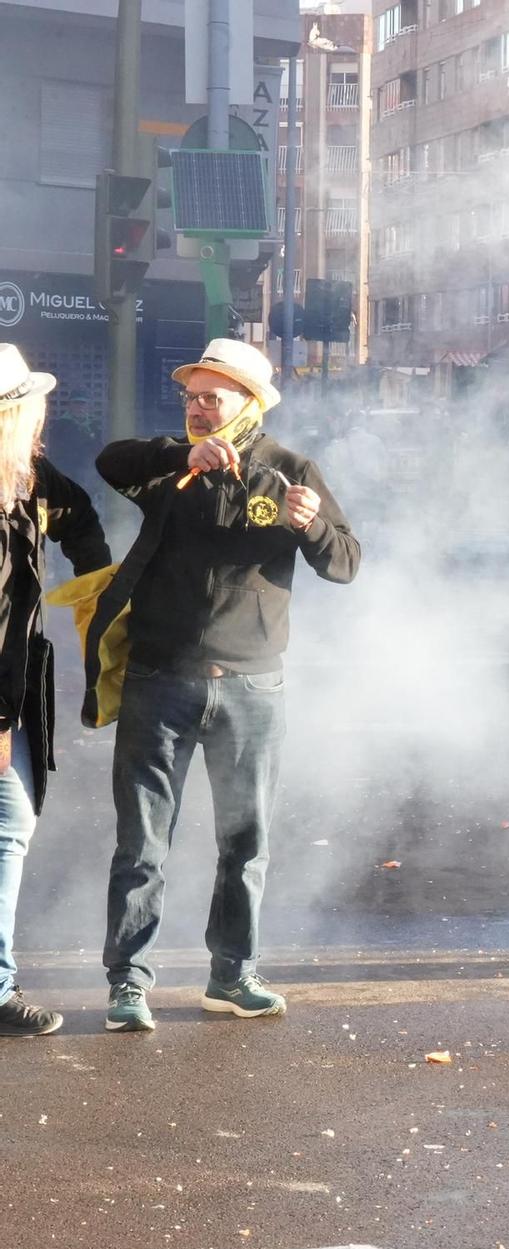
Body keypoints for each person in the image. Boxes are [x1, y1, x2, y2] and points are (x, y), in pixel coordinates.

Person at [98, 339, 361, 1033]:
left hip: (252, 689)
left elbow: (345, 563)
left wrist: (312, 525)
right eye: (191, 395)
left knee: (245, 842)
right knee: (143, 841)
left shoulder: (290, 470)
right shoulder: (167, 466)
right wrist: (177, 454)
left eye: (213, 396)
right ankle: (128, 981)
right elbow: (109, 462)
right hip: (159, 680)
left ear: (249, 403)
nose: (198, 407)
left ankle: (231, 974)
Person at [0, 347, 111, 1037]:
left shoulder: (27, 481)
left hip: (12, 688)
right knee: (11, 823)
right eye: (32, 411)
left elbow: (83, 517)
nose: (42, 425)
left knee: (11, 824)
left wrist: (98, 591)